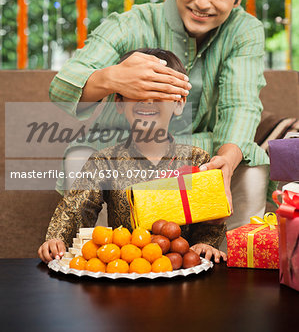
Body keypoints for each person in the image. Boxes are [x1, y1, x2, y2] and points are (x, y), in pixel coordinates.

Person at [49, 0, 269, 232]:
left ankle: (229, 269)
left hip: (201, 153)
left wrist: (225, 163)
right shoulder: (132, 24)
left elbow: (240, 106)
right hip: (125, 152)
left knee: (251, 166)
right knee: (81, 158)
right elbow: (62, 88)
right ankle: (100, 265)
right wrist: (114, 77)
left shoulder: (244, 30)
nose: (202, 2)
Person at [39, 49, 227, 264]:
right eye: (136, 92)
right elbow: (76, 209)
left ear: (179, 103)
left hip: (182, 271)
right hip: (124, 267)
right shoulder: (104, 162)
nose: (146, 102)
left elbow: (210, 218)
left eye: (158, 93)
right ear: (119, 102)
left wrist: (206, 244)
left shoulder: (197, 159)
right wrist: (57, 240)